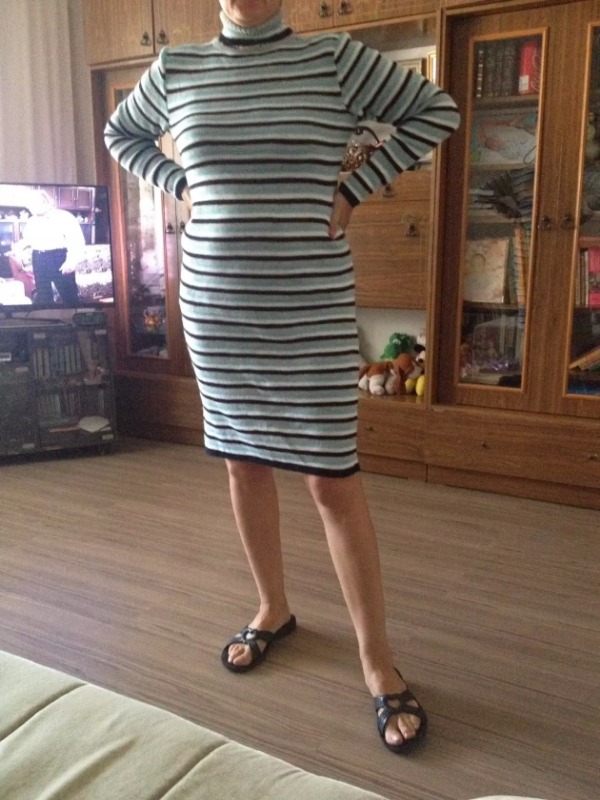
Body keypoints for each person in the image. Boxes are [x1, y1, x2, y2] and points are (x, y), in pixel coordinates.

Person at [105, 0, 460, 754]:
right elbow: (120, 133)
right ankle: (273, 607)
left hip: (310, 308)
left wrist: (354, 189)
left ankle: (378, 660)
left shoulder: (332, 59)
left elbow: (437, 110)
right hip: (217, 306)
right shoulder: (178, 67)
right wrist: (178, 183)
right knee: (242, 464)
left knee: (332, 481)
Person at [11, 189, 85, 306]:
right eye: (28, 205)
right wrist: (19, 247)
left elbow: (76, 241)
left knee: (69, 295)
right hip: (38, 258)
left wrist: (71, 262)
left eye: (32, 204)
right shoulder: (31, 221)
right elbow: (29, 240)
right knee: (43, 295)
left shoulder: (65, 217)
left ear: (44, 201)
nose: (30, 208)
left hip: (59, 257)